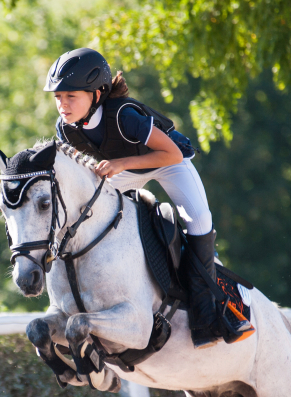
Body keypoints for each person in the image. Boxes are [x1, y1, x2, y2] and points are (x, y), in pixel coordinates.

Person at [43, 47, 252, 348]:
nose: (62, 104)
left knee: (199, 222)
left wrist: (122, 165)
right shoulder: (66, 129)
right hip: (126, 170)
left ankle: (211, 315)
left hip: (170, 164)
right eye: (58, 97)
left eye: (70, 96)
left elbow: (172, 153)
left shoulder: (125, 116)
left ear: (97, 94)